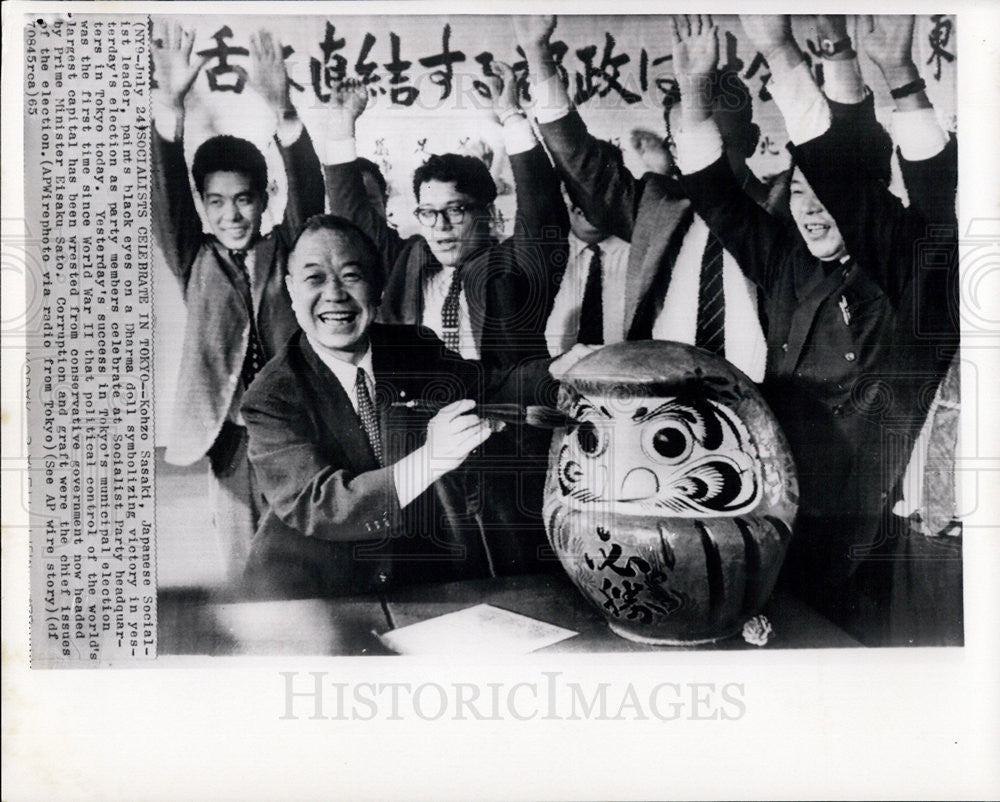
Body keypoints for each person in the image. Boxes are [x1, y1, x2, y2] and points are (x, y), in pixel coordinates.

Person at [688, 13, 957, 643]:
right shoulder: (789, 261)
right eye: (799, 194)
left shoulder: (907, 273)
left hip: (878, 536)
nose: (812, 210)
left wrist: (789, 55)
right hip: (783, 518)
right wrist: (695, 94)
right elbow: (712, 193)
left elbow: (872, 176)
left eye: (825, 195)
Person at [240, 216, 578, 598]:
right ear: (290, 291)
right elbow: (321, 505)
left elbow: (489, 382)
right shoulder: (271, 395)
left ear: (380, 287)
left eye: (352, 276)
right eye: (314, 278)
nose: (334, 294)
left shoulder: (413, 347)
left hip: (414, 577)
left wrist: (561, 368)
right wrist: (434, 458)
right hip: (316, 594)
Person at [320, 64, 570, 577]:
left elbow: (544, 212)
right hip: (419, 449)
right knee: (434, 580)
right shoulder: (409, 261)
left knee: (517, 579)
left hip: (505, 443)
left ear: (488, 214)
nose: (441, 227)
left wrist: (512, 120)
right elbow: (353, 224)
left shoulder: (513, 267)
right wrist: (342, 131)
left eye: (455, 210)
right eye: (428, 213)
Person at [151, 24, 325, 582]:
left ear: (263, 199)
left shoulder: (288, 248)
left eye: (243, 200)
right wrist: (170, 106)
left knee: (298, 557)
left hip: (292, 431)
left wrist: (285, 112)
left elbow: (310, 196)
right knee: (239, 563)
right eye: (218, 202)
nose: (231, 215)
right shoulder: (193, 257)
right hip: (225, 436)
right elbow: (166, 192)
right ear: (202, 205)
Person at [514, 14, 771, 381]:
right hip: (662, 405)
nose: (703, 157)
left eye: (719, 144)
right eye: (686, 142)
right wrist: (538, 57)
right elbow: (585, 168)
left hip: (764, 407)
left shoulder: (788, 215)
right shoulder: (659, 208)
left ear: (752, 138)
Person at [543, 184, 631, 356]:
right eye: (572, 190)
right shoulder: (542, 257)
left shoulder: (641, 257)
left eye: (598, 190)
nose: (586, 199)